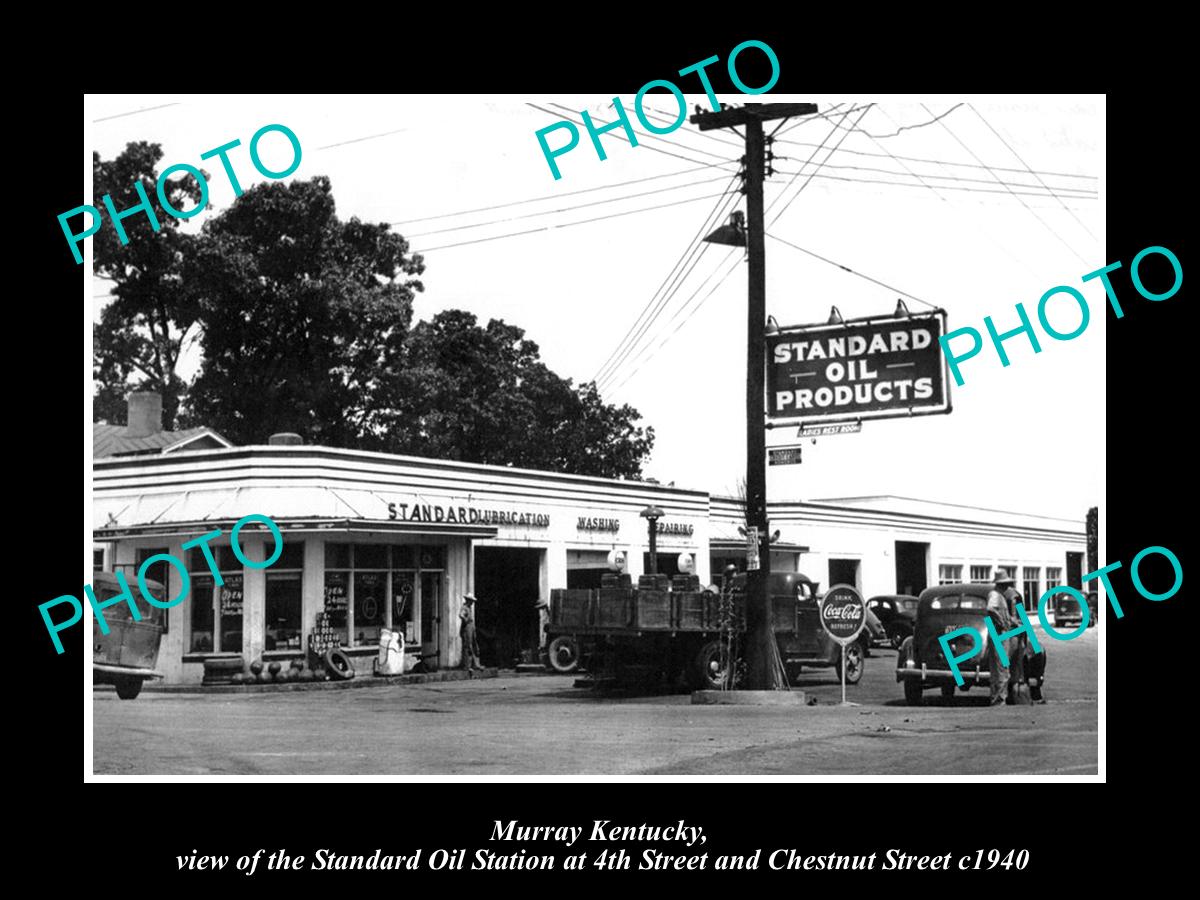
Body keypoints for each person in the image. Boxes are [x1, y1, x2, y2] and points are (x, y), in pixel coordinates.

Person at [986, 574, 1017, 706]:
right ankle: (999, 699)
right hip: (998, 633)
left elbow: (1005, 615)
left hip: (999, 633)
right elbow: (990, 608)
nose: (1007, 587)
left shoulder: (1000, 597)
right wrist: (1001, 621)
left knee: (1001, 667)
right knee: (1001, 668)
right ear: (1000, 585)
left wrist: (1012, 621)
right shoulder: (995, 595)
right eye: (1005, 584)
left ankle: (998, 697)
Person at [460, 593, 482, 672]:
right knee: (468, 646)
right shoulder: (465, 607)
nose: (472, 602)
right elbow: (461, 615)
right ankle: (468, 665)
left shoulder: (469, 608)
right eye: (471, 601)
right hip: (467, 627)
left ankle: (476, 664)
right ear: (468, 600)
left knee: (474, 644)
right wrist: (465, 620)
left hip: (471, 626)